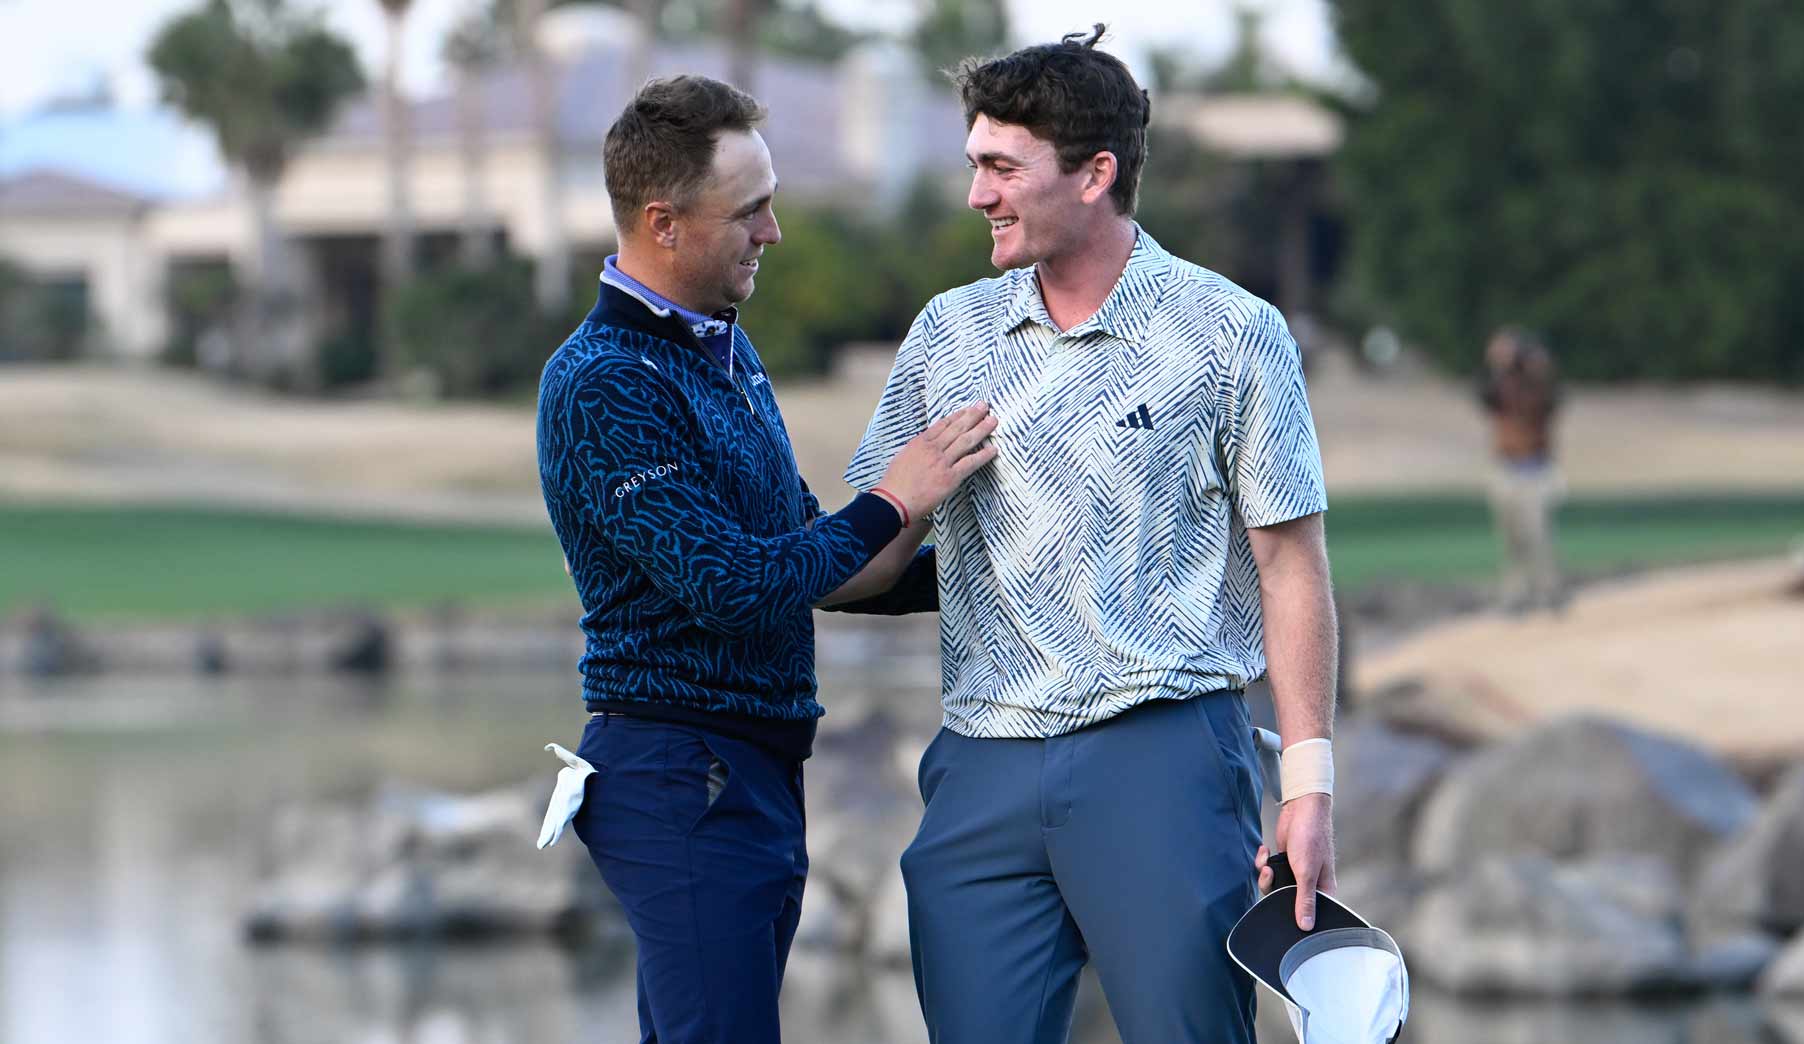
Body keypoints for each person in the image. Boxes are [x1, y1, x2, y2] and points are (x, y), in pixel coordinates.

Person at [844, 27, 1340, 1044]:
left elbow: (1288, 567)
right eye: (973, 164)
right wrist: (883, 507)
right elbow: (866, 559)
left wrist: (1307, 787)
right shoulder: (947, 332)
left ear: (1094, 174)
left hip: (1162, 754)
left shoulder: (1231, 332)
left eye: (1001, 167)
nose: (976, 194)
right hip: (980, 761)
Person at [533, 75, 996, 1044]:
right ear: (662, 224)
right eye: (748, 210)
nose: (772, 232)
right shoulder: (601, 381)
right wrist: (896, 496)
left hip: (749, 770)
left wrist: (994, 572)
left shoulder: (724, 352)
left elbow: (811, 561)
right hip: (678, 772)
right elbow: (734, 584)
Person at [1477, 326, 1565, 612]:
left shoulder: (1538, 387)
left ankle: (1548, 589)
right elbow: (1485, 396)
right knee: (1511, 537)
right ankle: (1516, 593)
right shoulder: (1502, 386)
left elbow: (1551, 402)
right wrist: (1497, 367)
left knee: (1537, 533)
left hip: (1535, 468)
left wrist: (1538, 370)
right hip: (1506, 467)